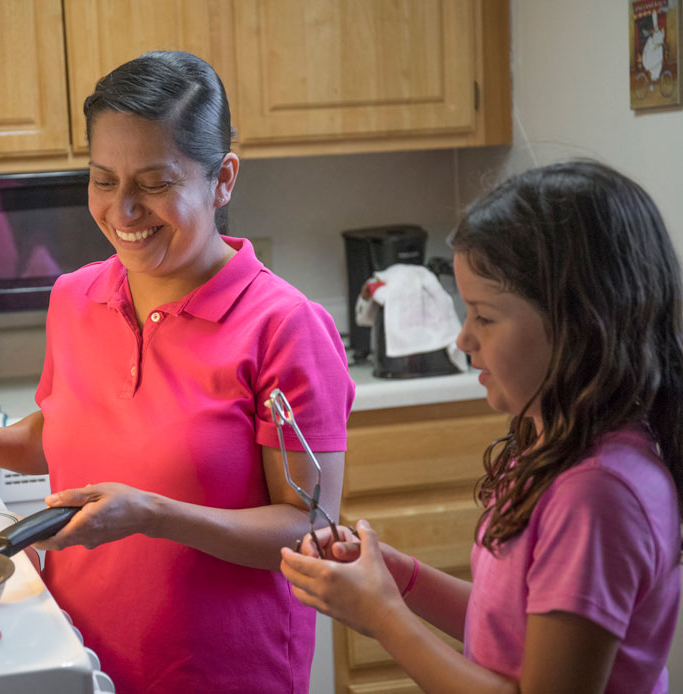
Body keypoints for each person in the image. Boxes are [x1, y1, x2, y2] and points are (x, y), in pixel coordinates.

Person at [0, 51, 354, 693]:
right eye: (103, 179)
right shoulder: (74, 298)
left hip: (224, 676)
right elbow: (72, 430)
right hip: (78, 661)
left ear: (223, 179)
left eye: (153, 183)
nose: (123, 211)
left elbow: (309, 527)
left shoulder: (285, 327)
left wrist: (154, 514)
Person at [281, 159, 683, 693]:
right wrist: (397, 579)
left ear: (579, 325)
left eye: (484, 317)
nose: (463, 339)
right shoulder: (555, 449)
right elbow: (512, 628)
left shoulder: (596, 495)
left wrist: (382, 617)